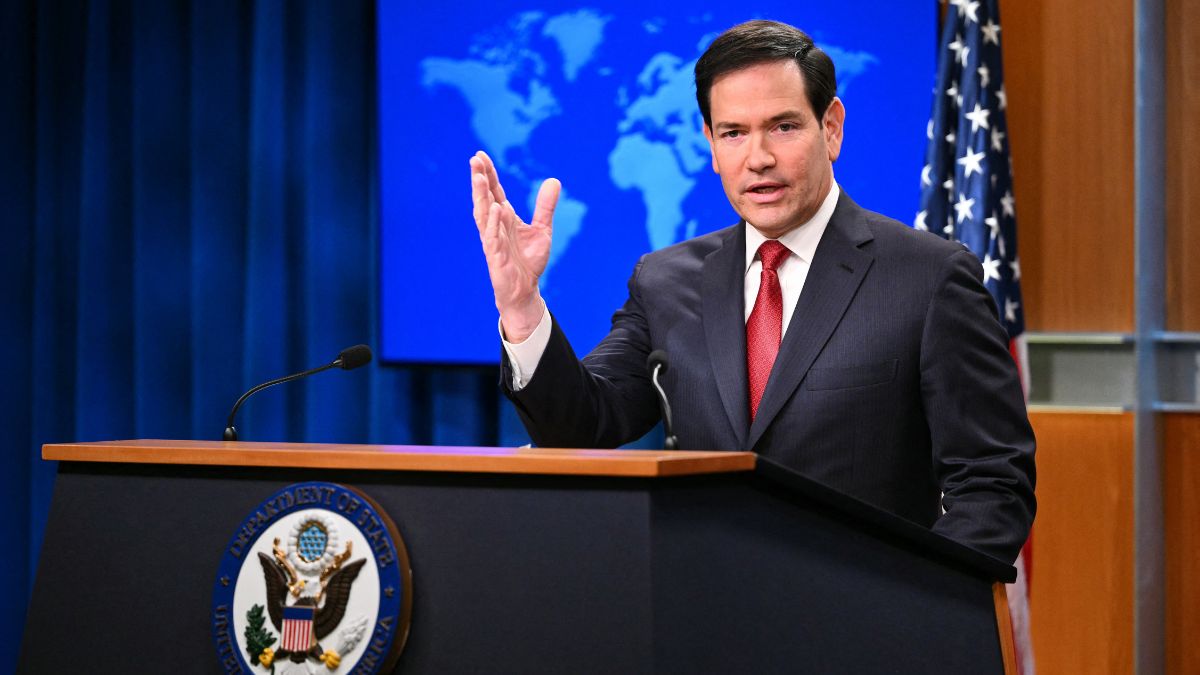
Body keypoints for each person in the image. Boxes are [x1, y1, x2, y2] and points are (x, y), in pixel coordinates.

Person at [469, 20, 1034, 564]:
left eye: (783, 127)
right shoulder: (665, 281)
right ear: (712, 146)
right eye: (734, 133)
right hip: (705, 624)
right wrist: (521, 307)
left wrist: (919, 604)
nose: (757, 157)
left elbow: (992, 482)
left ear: (831, 128)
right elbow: (582, 428)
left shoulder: (928, 277)